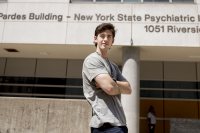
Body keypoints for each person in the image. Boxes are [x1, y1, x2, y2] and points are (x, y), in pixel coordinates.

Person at [82, 23, 132, 133]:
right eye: (102, 36)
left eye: (109, 36)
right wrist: (114, 85)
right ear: (95, 39)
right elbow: (110, 88)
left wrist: (112, 82)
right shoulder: (92, 60)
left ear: (112, 42)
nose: (106, 39)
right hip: (104, 126)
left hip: (120, 123)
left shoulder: (113, 66)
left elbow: (129, 89)